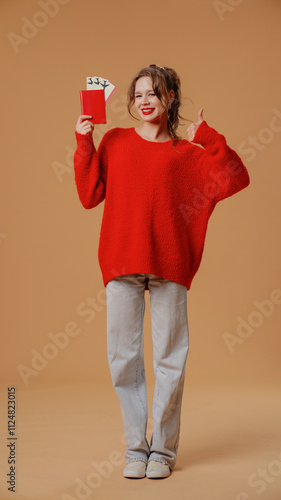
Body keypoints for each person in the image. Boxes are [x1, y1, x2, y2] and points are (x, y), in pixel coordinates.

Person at [73, 64, 250, 480]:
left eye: (154, 92)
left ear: (171, 98)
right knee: (124, 359)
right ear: (131, 103)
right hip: (121, 262)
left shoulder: (188, 154)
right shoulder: (115, 142)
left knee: (170, 360)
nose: (145, 100)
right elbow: (88, 195)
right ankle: (137, 449)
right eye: (138, 95)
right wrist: (84, 141)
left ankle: (163, 453)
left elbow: (236, 177)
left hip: (170, 266)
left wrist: (209, 138)